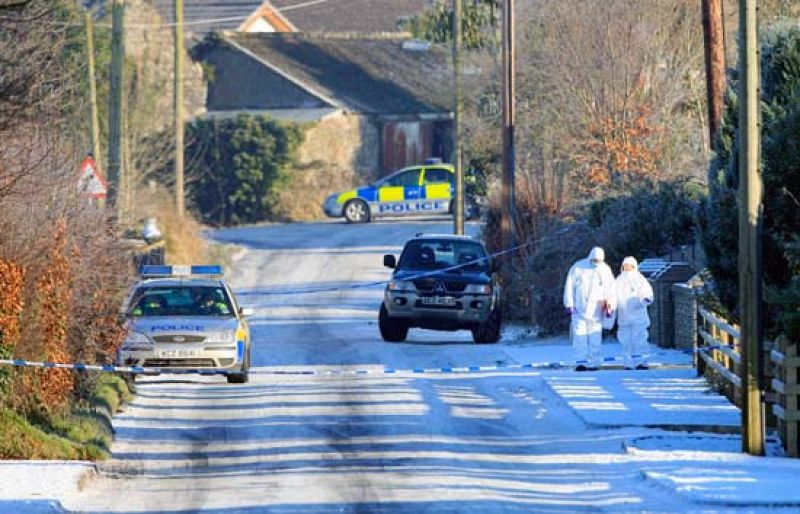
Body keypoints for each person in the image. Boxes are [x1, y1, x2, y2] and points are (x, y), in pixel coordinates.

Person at [563, 247, 616, 371]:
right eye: (595, 260)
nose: (596, 262)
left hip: (597, 310)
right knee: (580, 336)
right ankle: (580, 362)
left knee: (595, 337)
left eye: (599, 260)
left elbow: (611, 290)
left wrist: (610, 306)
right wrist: (569, 304)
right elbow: (569, 286)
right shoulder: (578, 267)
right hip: (579, 309)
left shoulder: (605, 270)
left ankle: (594, 362)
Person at [614, 256, 654, 370]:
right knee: (625, 340)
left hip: (639, 316)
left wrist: (646, 299)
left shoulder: (640, 279)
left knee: (640, 339)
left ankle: (642, 362)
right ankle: (628, 363)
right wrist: (611, 305)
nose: (627, 268)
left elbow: (647, 292)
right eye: (625, 266)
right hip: (624, 316)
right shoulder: (618, 280)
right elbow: (612, 295)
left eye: (630, 266)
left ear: (634, 266)